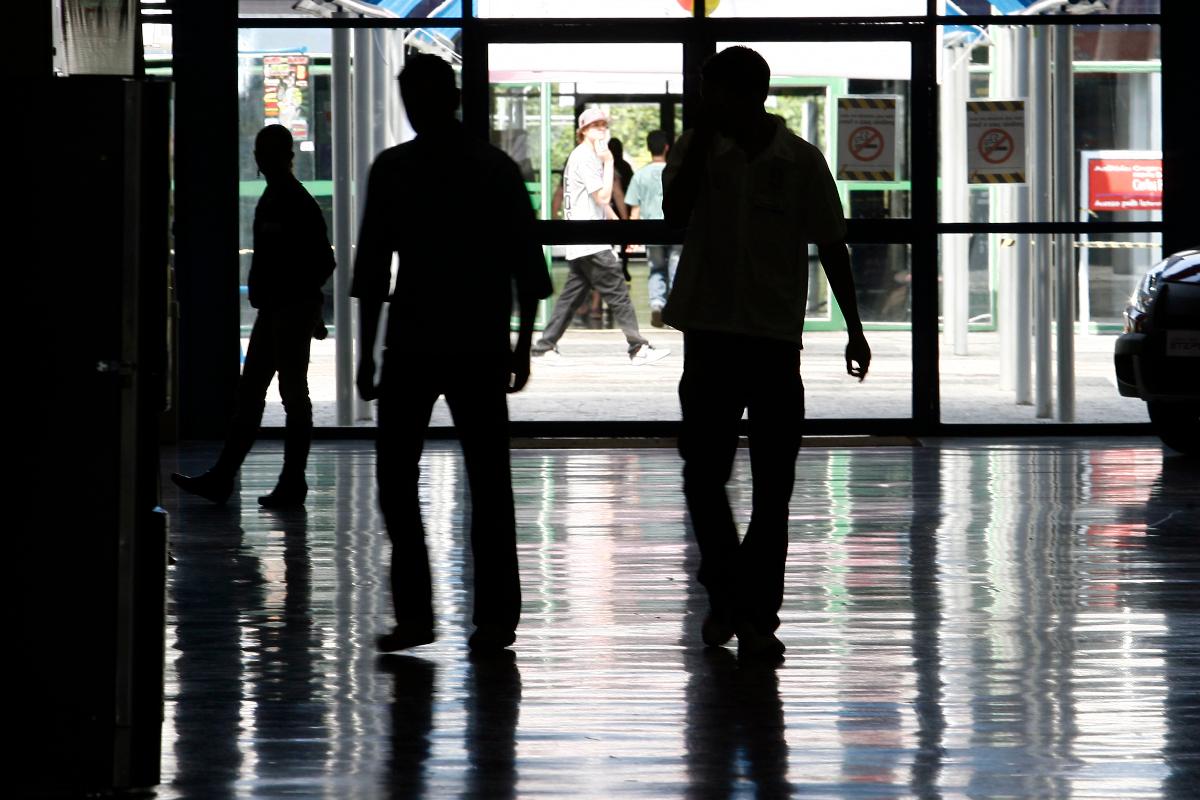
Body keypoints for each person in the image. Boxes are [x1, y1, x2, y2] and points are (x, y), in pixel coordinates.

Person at [662, 47, 872, 659]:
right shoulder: (698, 152)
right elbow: (675, 213)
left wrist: (856, 328)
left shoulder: (800, 162)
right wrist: (698, 145)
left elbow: (833, 243)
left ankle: (756, 611)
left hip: (774, 342)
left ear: (746, 94)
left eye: (713, 92)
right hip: (707, 334)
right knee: (704, 474)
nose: (704, 104)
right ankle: (729, 588)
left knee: (772, 486)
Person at [351, 55, 552, 653]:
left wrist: (367, 354)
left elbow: (372, 272)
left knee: (396, 480)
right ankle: (494, 619)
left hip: (412, 340)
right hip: (478, 339)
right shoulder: (494, 169)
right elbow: (527, 264)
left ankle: (416, 616)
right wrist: (519, 346)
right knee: (489, 482)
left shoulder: (394, 170)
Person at [172, 124, 334, 509]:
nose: (262, 160)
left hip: (285, 310)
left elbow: (321, 262)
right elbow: (315, 262)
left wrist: (303, 306)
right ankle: (243, 478)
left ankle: (269, 480)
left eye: (266, 153)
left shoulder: (289, 200)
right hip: (281, 310)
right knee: (266, 395)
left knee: (284, 395)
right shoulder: (281, 198)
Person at [531, 107, 669, 366]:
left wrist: (621, 231)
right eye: (595, 125)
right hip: (590, 241)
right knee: (618, 293)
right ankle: (638, 348)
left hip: (585, 241)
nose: (602, 128)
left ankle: (544, 347)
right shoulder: (586, 157)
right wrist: (608, 162)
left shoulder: (585, 156)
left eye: (604, 124)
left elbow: (602, 205)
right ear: (582, 131)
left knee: (571, 297)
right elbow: (603, 197)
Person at [625, 129, 681, 328]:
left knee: (656, 269)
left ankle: (657, 305)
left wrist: (632, 236)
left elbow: (635, 209)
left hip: (651, 229)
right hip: (674, 228)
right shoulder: (675, 172)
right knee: (676, 269)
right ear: (667, 148)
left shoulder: (640, 175)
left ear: (649, 149)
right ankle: (675, 310)